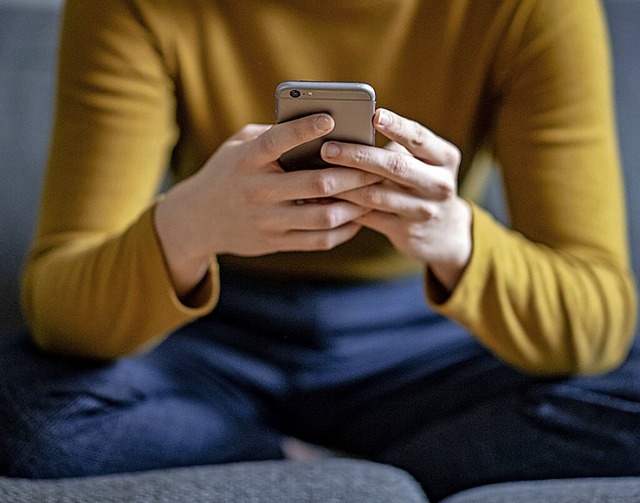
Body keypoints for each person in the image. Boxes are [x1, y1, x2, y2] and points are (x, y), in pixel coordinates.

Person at [1, 0, 638, 500]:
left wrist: (457, 240)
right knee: (21, 409)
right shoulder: (136, 4)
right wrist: (187, 227)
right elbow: (58, 307)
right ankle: (326, 465)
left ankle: (327, 471)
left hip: (427, 333)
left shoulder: (531, 6)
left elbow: (596, 323)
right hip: (210, 332)